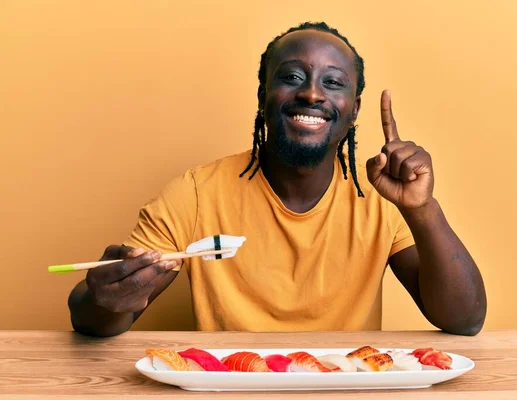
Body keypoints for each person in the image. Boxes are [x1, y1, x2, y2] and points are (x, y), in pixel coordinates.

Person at [68, 22, 486, 337]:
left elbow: (464, 320)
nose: (312, 94)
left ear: (353, 109)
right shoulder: (196, 194)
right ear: (263, 94)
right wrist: (108, 301)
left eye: (333, 83)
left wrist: (422, 209)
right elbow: (94, 320)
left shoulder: (377, 195)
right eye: (291, 77)